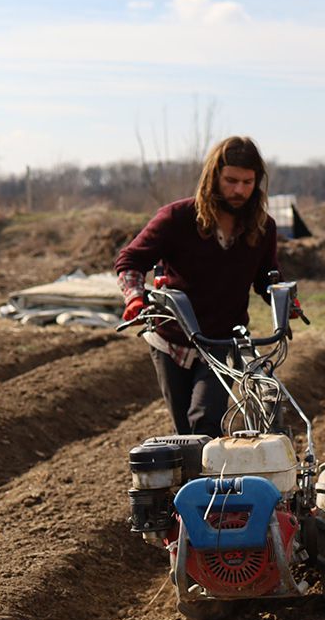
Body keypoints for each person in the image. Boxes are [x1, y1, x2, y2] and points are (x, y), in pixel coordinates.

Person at [115, 135, 281, 438]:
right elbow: (130, 261)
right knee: (185, 435)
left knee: (205, 420)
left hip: (221, 342)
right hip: (171, 339)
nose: (239, 190)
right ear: (213, 177)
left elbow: (266, 278)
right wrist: (134, 296)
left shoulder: (262, 227)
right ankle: (194, 482)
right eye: (231, 180)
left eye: (247, 182)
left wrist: (282, 300)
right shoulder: (177, 218)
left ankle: (211, 481)